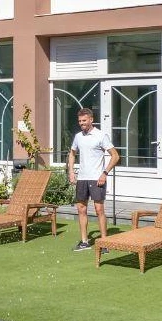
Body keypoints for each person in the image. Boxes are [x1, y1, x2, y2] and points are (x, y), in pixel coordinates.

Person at [66, 108, 121, 252]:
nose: (81, 123)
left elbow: (115, 156)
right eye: (79, 121)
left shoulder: (101, 135)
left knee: (99, 209)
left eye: (84, 121)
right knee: (81, 209)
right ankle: (84, 242)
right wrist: (71, 171)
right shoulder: (78, 137)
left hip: (97, 178)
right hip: (82, 178)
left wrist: (105, 173)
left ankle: (104, 243)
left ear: (91, 119)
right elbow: (72, 154)